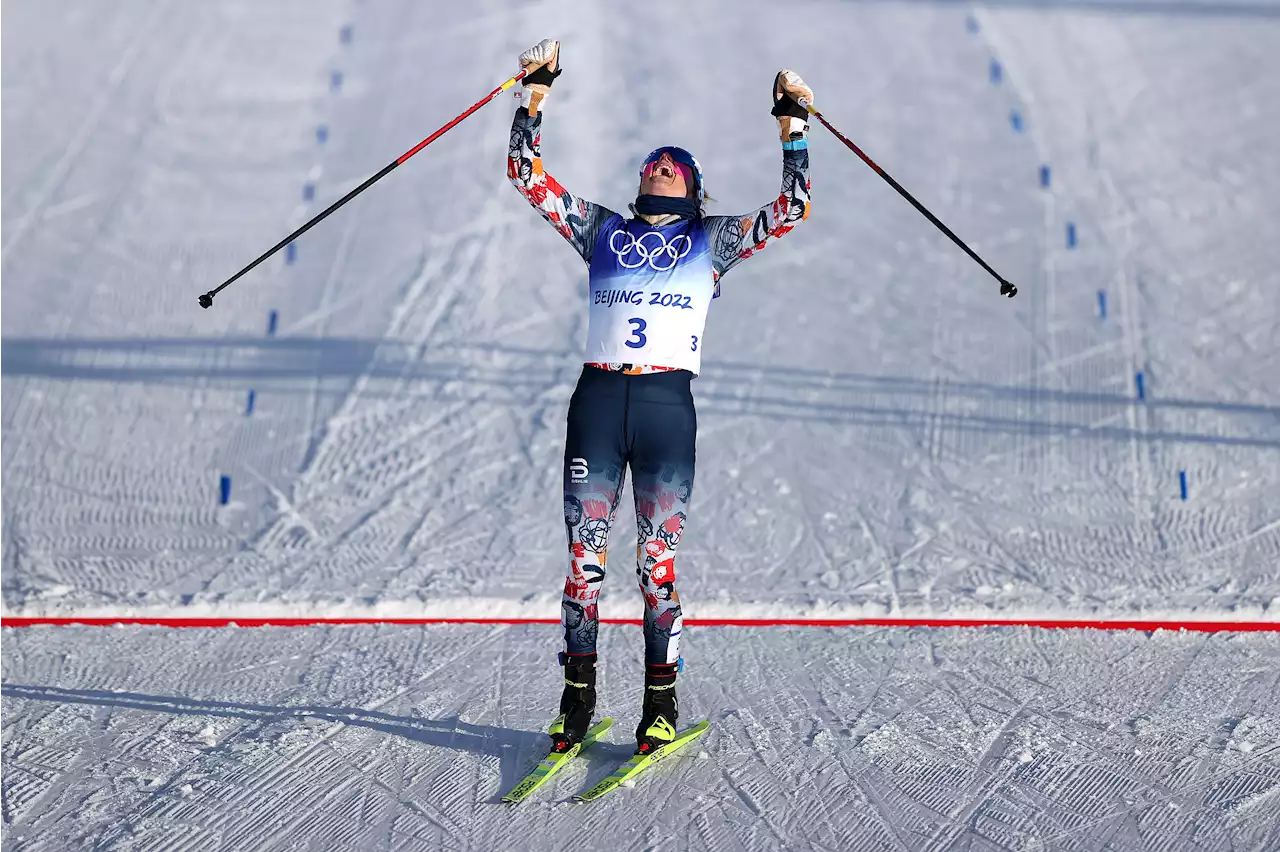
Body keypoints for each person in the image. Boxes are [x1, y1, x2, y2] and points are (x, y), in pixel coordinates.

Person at [508, 38, 813, 756]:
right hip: (598, 406)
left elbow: (794, 208)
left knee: (655, 566)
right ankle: (576, 700)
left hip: (665, 414)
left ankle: (659, 703)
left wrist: (793, 129)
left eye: (674, 163)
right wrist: (534, 95)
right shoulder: (603, 230)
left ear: (694, 186)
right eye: (653, 161)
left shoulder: (715, 240)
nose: (661, 160)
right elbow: (527, 177)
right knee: (585, 561)